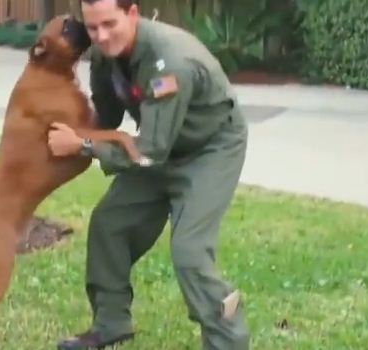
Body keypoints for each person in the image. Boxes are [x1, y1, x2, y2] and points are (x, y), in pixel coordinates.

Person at [47, 0, 250, 349]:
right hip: (158, 144)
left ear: (133, 14)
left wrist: (81, 146)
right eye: (93, 28)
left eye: (110, 24)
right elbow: (107, 121)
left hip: (209, 149)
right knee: (109, 224)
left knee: (190, 253)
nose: (101, 36)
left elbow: (150, 152)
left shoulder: (170, 63)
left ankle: (227, 343)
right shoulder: (103, 56)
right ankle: (111, 324)